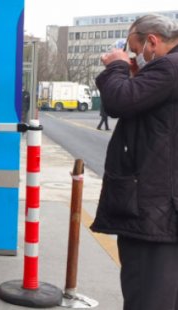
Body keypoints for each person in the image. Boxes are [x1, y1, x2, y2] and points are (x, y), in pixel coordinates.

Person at [91, 14, 178, 310]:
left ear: (151, 41)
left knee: (147, 295)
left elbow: (120, 102)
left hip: (154, 209)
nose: (132, 56)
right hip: (167, 205)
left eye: (133, 48)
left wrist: (115, 65)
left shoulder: (168, 67)